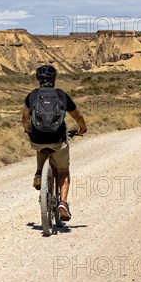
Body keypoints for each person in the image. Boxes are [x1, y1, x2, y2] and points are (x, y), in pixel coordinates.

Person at [22, 64, 87, 221]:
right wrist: (82, 128)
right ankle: (63, 203)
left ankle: (38, 174)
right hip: (58, 140)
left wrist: (28, 131)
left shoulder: (32, 96)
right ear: (54, 78)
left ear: (38, 79)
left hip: (37, 139)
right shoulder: (61, 95)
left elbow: (25, 118)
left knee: (40, 147)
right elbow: (77, 116)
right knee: (63, 171)